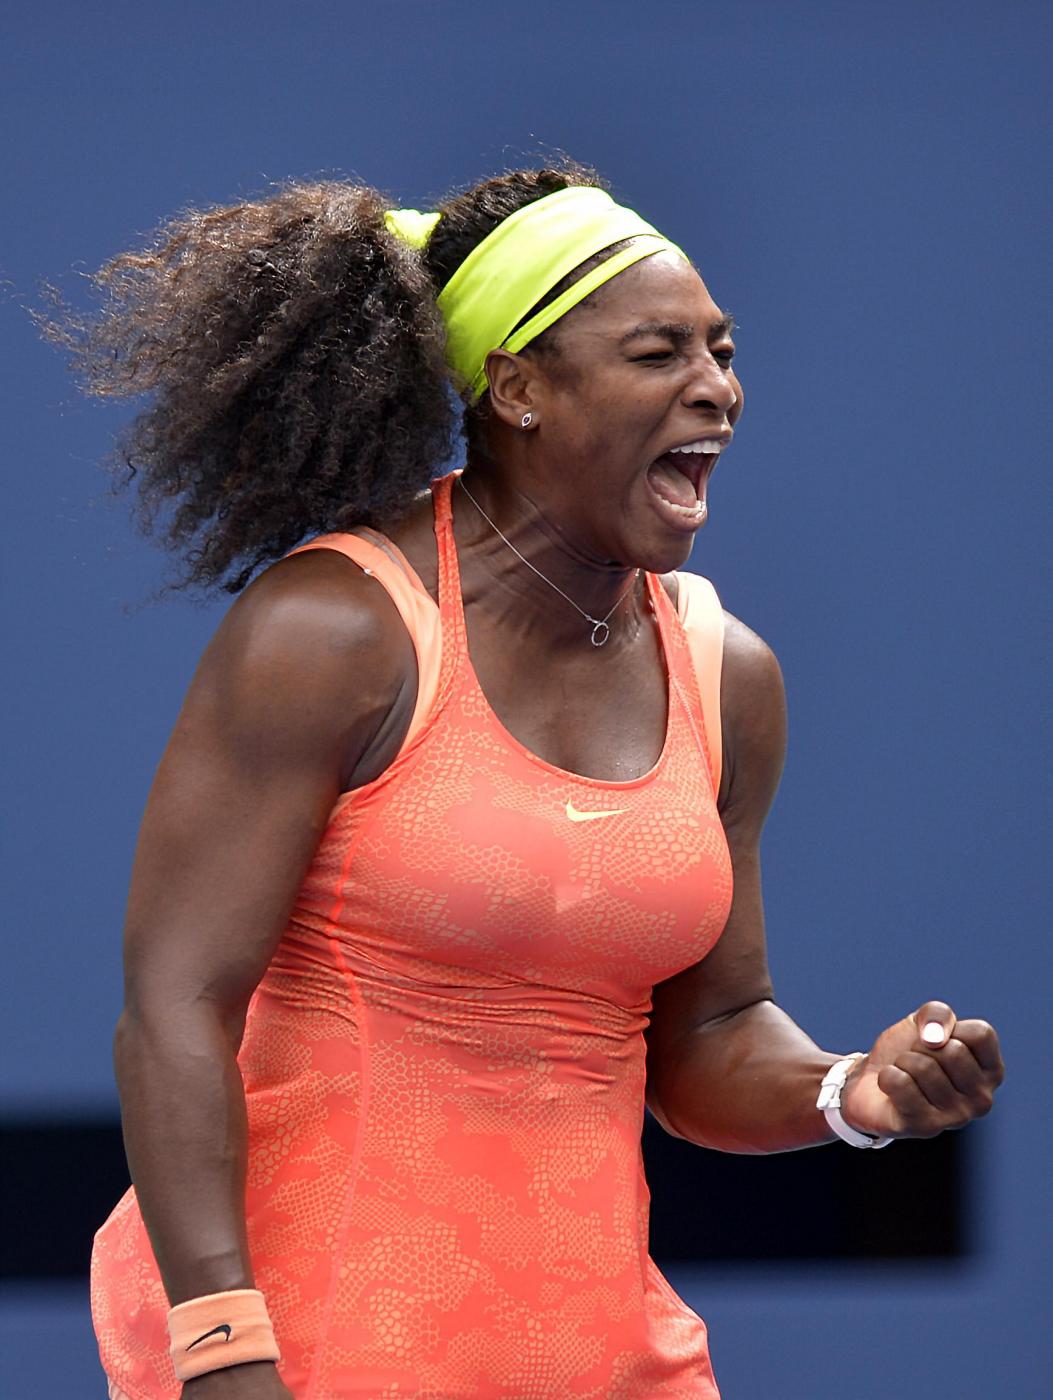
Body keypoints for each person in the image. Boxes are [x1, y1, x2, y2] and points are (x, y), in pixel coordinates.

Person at [61, 163, 1004, 1400]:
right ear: (519, 390)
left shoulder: (728, 675)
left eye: (722, 351)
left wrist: (851, 1090)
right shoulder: (334, 631)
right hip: (310, 1348)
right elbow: (174, 1006)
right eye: (658, 352)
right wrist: (223, 1346)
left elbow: (710, 1032)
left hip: (609, 1357)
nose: (716, 387)